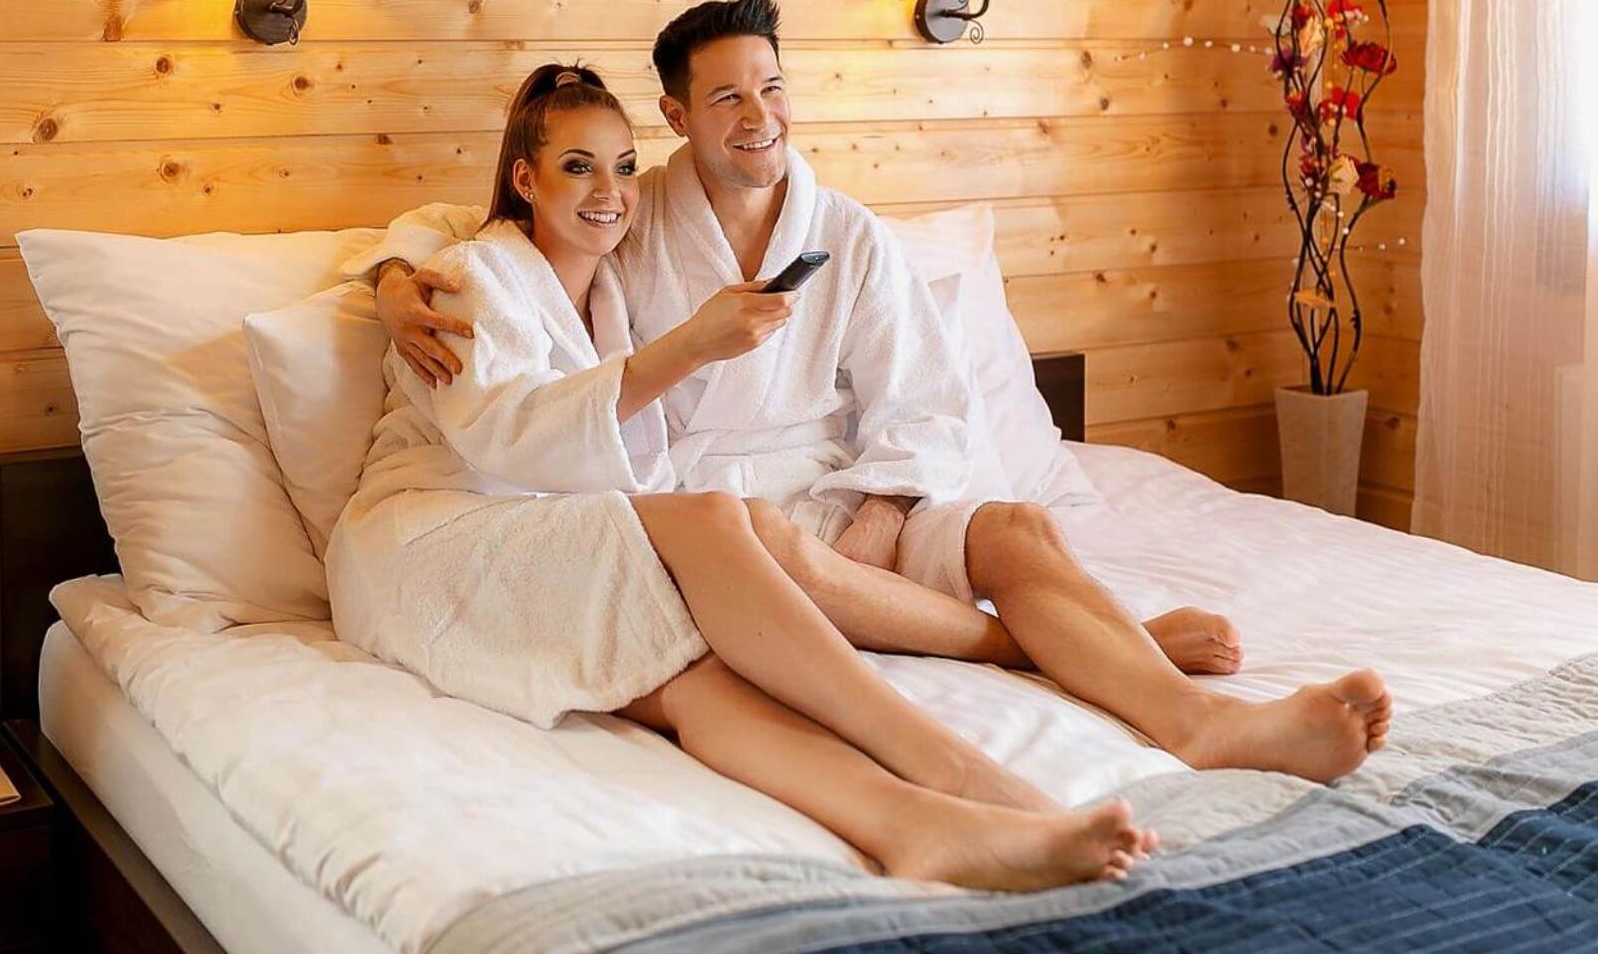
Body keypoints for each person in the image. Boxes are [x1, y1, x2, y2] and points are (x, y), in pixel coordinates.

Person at [362, 0, 1394, 786]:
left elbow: (926, 405)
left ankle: (1199, 721)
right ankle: (1057, 644)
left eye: (771, 88)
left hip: (846, 503)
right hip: (713, 515)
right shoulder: (626, 212)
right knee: (778, 548)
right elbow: (484, 235)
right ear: (677, 115)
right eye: (726, 98)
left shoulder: (847, 233)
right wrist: (391, 280)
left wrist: (881, 514)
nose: (759, 118)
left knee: (1018, 528)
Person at [328, 64, 1152, 892]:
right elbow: (511, 435)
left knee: (704, 679)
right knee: (713, 519)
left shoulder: (608, 286)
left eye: (624, 167)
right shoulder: (469, 276)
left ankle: (917, 827)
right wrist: (689, 345)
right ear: (524, 179)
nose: (609, 192)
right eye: (578, 167)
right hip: (426, 541)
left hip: (543, 543)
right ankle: (963, 772)